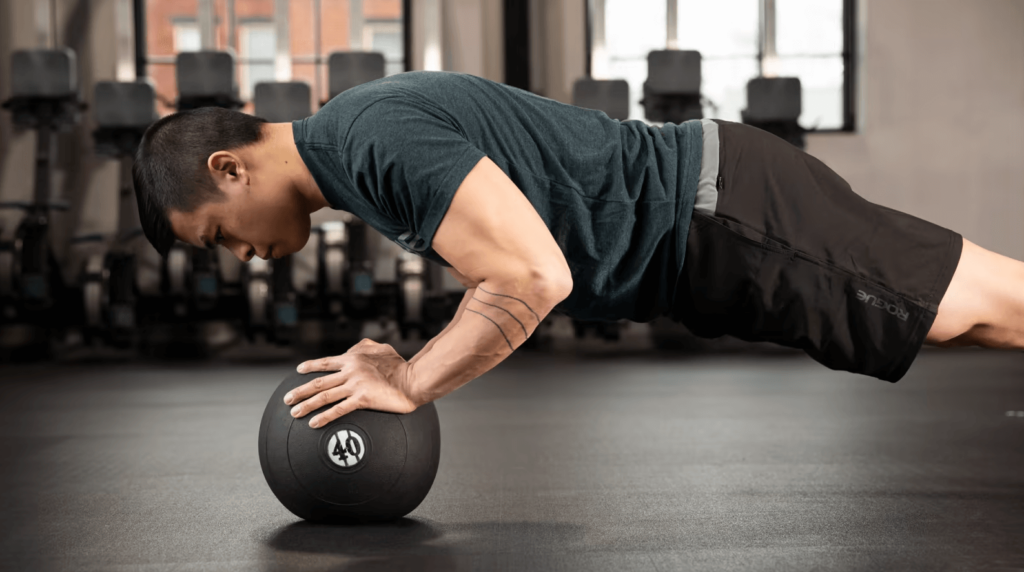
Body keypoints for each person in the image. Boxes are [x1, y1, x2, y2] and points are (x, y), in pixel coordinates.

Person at [132, 71, 1021, 429]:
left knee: (977, 308)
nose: (242, 260)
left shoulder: (366, 138)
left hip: (724, 215)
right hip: (716, 222)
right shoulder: (353, 149)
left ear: (230, 168)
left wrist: (410, 380)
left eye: (217, 236)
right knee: (955, 319)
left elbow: (531, 273)